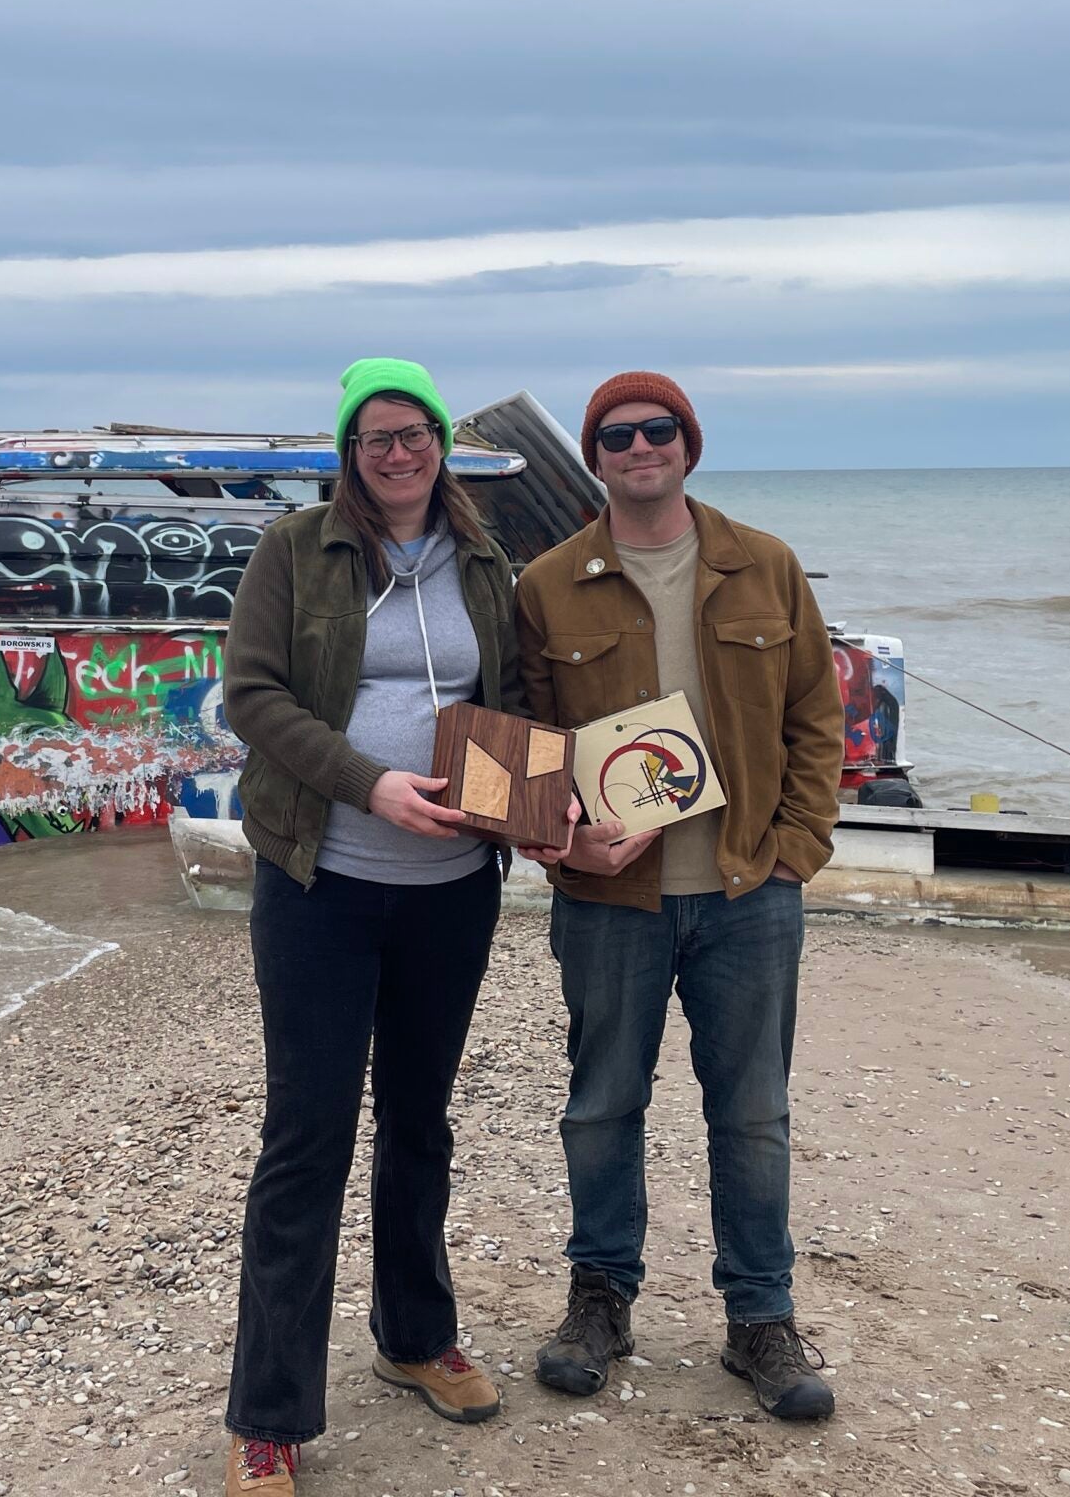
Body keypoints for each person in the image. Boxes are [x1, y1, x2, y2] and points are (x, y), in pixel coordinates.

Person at [512, 371, 846, 1421]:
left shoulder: (766, 567)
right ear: (595, 455)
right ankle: (598, 1301)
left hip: (749, 891)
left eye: (659, 430)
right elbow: (525, 746)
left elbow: (816, 720)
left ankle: (760, 1320)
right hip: (611, 902)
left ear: (687, 444)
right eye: (618, 435)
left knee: (751, 1115)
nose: (640, 446)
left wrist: (797, 845)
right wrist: (565, 851)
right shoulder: (548, 584)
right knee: (601, 1106)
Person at [218, 357, 523, 1496]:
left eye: (414, 433)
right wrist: (369, 784)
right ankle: (270, 1415)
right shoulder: (296, 552)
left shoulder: (487, 561)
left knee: (420, 1123)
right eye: (373, 437)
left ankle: (412, 1338)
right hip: (322, 882)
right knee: (306, 1138)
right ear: (347, 453)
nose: (396, 453)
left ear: (440, 441)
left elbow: (520, 701)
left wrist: (536, 809)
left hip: (451, 893)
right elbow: (252, 696)